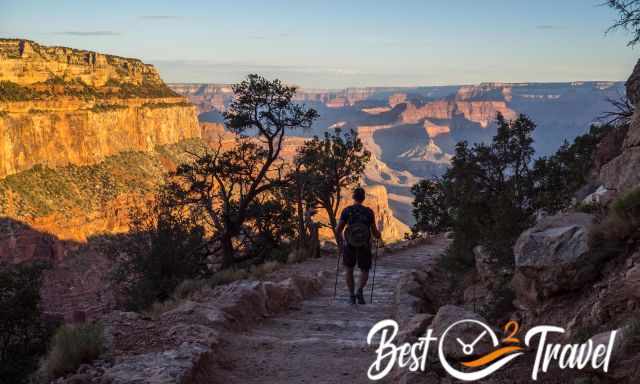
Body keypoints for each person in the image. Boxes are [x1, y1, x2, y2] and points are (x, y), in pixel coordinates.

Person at [336, 187, 382, 305]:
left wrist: (341, 243)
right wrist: (379, 234)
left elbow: (338, 229)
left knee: (349, 270)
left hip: (350, 243)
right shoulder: (369, 212)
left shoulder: (347, 211)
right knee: (365, 269)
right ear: (363, 198)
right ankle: (360, 291)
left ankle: (351, 296)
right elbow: (375, 232)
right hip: (364, 244)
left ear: (353, 197)